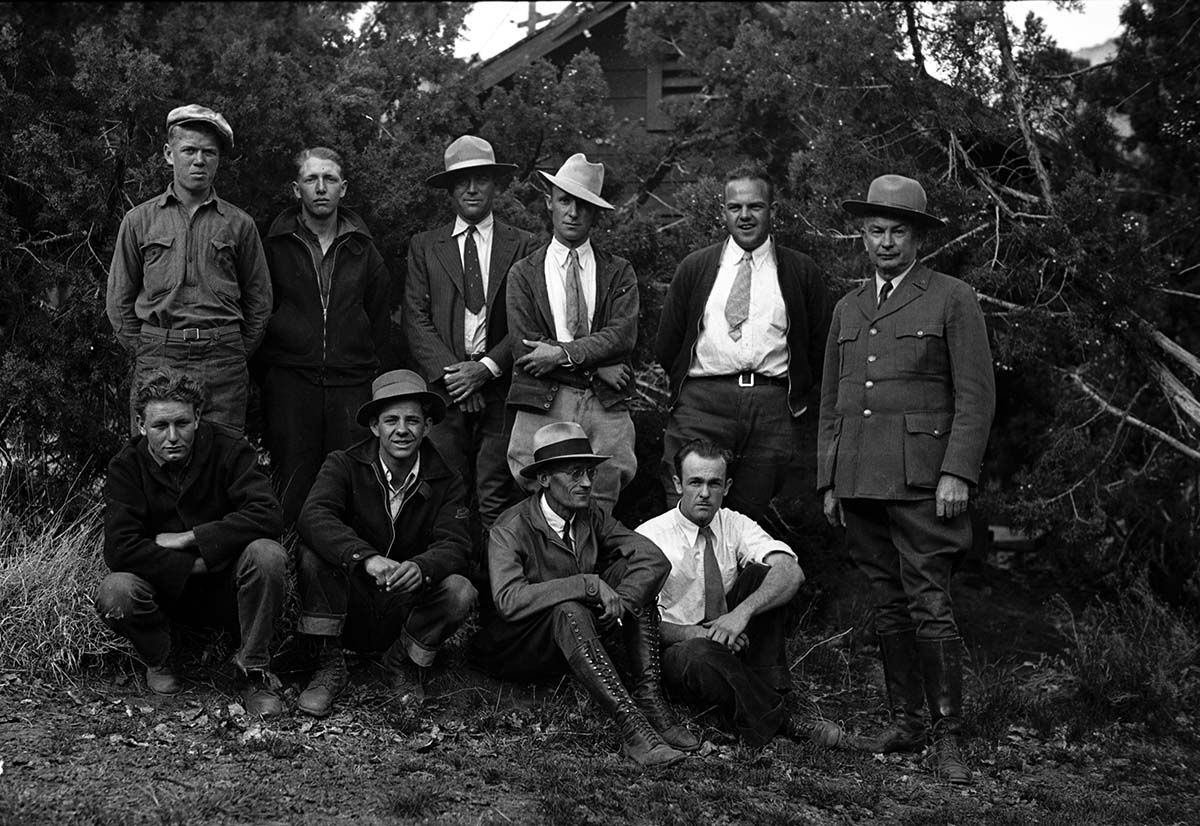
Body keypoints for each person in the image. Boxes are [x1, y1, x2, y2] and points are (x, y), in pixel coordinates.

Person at [818, 174, 995, 785]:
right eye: (875, 231)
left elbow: (975, 396)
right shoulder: (848, 307)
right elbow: (832, 402)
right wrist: (829, 479)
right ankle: (906, 722)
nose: (885, 242)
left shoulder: (951, 297)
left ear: (918, 237)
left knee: (929, 603)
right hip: (860, 477)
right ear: (862, 236)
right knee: (886, 603)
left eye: (897, 231)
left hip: (924, 479)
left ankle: (948, 736)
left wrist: (957, 472)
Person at [470, 422, 696, 768]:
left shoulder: (589, 516)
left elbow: (653, 560)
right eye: (576, 473)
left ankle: (650, 698)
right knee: (569, 610)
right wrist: (586, 585)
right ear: (544, 478)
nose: (588, 483)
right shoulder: (510, 528)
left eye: (589, 472)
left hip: (578, 641)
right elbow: (509, 601)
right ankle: (634, 730)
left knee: (630, 577)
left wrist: (621, 602)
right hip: (514, 647)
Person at [95, 367, 288, 716]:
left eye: (182, 423)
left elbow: (268, 515)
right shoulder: (126, 465)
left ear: (198, 417)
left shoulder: (229, 449)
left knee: (267, 555)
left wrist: (191, 538)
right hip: (165, 592)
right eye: (159, 426)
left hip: (228, 586)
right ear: (141, 424)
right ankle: (162, 657)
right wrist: (192, 564)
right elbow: (119, 548)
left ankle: (253, 670)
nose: (172, 436)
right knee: (116, 591)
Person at [636, 439, 844, 748]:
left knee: (767, 575)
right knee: (698, 655)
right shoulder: (650, 537)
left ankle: (767, 691)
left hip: (733, 635)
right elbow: (638, 623)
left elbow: (791, 572)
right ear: (678, 484)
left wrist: (739, 615)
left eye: (714, 483)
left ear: (727, 486)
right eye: (695, 482)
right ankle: (781, 717)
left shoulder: (734, 523)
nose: (705, 493)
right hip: (680, 648)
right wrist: (695, 634)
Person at [656, 165, 832, 525]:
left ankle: (733, 584)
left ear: (773, 211)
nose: (745, 216)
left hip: (770, 407)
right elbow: (668, 343)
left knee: (744, 522)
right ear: (723, 212)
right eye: (735, 207)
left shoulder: (800, 271)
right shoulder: (696, 267)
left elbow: (818, 346)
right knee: (686, 512)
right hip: (702, 402)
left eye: (755, 206)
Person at [294, 369, 477, 717]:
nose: (402, 430)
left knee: (460, 590)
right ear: (375, 427)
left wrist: (422, 566)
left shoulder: (447, 479)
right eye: (391, 420)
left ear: (427, 426)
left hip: (406, 604)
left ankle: (401, 662)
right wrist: (364, 557)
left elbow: (456, 545)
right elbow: (314, 516)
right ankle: (329, 664)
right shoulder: (344, 464)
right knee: (312, 553)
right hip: (351, 598)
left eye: (412, 420)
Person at [405, 135, 537, 565]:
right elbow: (416, 321)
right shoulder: (426, 246)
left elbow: (528, 320)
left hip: (502, 388)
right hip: (446, 393)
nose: (472, 189)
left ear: (496, 186)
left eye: (481, 180)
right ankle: (449, 579)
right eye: (462, 182)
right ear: (450, 190)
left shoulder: (523, 245)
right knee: (446, 486)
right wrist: (458, 375)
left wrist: (485, 368)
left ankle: (497, 591)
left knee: (496, 489)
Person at [106, 104, 271, 437]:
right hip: (159, 355)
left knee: (223, 460)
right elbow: (119, 302)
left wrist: (234, 349)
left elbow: (260, 301)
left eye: (209, 153)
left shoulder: (239, 224)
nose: (199, 160)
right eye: (189, 150)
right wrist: (149, 348)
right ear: (169, 154)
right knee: (155, 463)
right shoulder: (139, 220)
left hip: (222, 360)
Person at [257, 146, 391, 526]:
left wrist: (363, 372)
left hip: (351, 388)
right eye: (311, 179)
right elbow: (259, 316)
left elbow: (380, 322)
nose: (320, 188)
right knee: (292, 493)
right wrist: (273, 375)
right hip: (290, 387)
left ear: (343, 189)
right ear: (296, 188)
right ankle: (295, 580)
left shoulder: (364, 250)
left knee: (349, 492)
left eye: (329, 179)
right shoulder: (274, 247)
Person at [505, 154, 638, 515]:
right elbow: (526, 348)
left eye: (584, 205)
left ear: (596, 213)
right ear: (549, 202)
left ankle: (593, 570)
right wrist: (596, 366)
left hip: (604, 403)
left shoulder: (618, 272)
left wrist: (563, 355)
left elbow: (622, 336)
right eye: (565, 200)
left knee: (603, 492)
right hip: (545, 400)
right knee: (541, 492)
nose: (573, 212)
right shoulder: (523, 274)